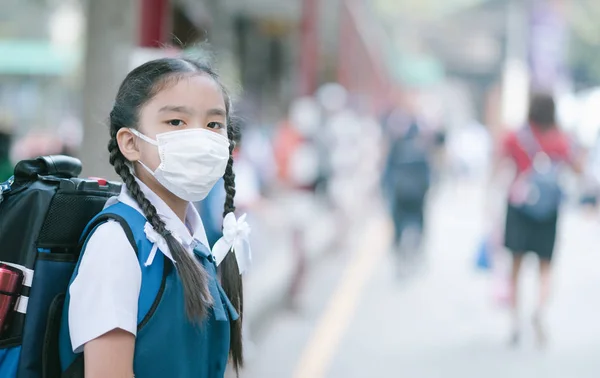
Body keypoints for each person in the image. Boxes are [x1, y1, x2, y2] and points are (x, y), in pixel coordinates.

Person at [58, 57, 248, 377]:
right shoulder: (116, 246)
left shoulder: (197, 246)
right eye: (176, 122)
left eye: (214, 124)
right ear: (130, 142)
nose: (200, 138)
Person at [499, 92, 580, 347]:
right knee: (546, 267)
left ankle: (515, 321)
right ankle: (539, 310)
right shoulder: (561, 140)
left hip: (519, 206)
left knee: (516, 266)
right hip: (548, 212)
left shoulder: (516, 137)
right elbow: (577, 168)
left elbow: (500, 164)